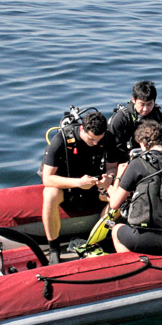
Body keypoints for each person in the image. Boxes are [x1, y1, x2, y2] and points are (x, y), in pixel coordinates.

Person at [39, 110, 111, 263]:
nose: (96, 143)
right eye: (92, 139)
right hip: (69, 187)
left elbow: (113, 167)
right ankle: (53, 248)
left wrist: (108, 178)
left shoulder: (106, 138)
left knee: (118, 194)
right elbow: (47, 178)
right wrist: (78, 183)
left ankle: (101, 240)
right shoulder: (61, 140)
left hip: (95, 186)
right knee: (50, 194)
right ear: (82, 129)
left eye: (99, 139)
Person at [108, 119, 162, 255]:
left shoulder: (138, 164)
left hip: (147, 239)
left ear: (142, 144)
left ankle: (134, 266)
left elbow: (114, 204)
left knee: (116, 230)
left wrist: (118, 176)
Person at [106, 80, 162, 178]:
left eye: (149, 104)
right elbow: (115, 150)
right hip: (126, 162)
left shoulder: (158, 117)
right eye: (142, 104)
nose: (145, 109)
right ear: (133, 100)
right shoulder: (120, 119)